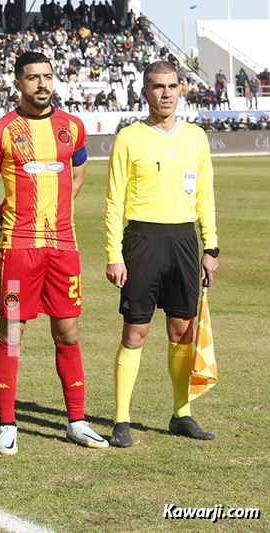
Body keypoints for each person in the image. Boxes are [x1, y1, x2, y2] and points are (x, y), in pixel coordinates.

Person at [0, 52, 108, 456]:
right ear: (18, 84)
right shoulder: (0, 131)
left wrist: (59, 211)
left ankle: (78, 421)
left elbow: (79, 171)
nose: (42, 84)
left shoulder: (73, 127)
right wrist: (12, 219)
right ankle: (7, 424)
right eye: (32, 78)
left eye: (47, 76)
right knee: (12, 333)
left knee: (67, 332)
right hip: (18, 247)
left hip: (63, 246)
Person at [105, 60, 219, 448]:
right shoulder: (129, 138)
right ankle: (122, 420)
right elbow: (113, 201)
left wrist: (211, 247)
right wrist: (113, 253)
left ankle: (181, 414)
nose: (166, 93)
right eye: (158, 87)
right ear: (145, 92)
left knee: (182, 331)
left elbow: (205, 196)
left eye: (172, 86)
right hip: (142, 241)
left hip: (185, 242)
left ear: (180, 89)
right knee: (135, 331)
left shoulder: (196, 138)